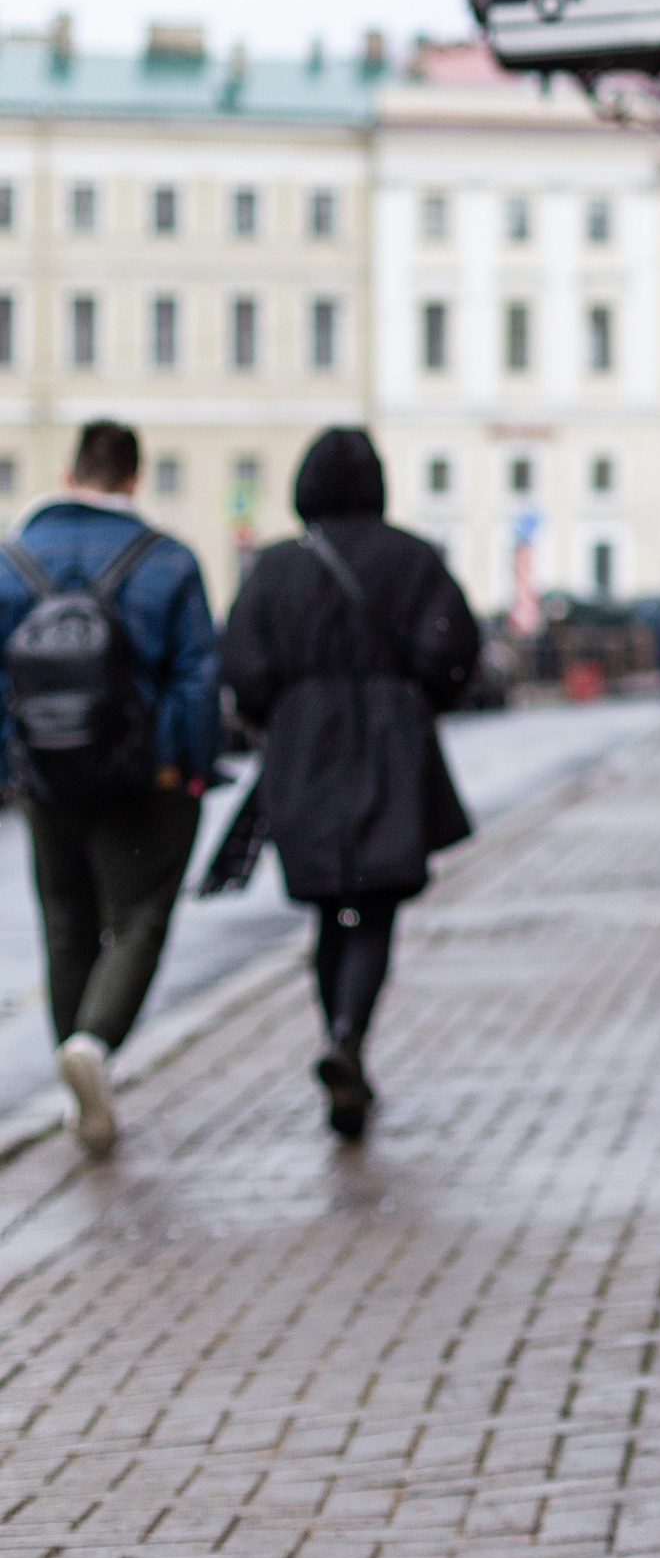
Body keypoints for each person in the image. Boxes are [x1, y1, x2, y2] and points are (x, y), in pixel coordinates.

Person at [219, 429, 478, 1143]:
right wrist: (413, 697)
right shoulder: (413, 558)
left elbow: (241, 664)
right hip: (390, 740)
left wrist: (285, 709)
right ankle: (349, 1036)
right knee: (377, 900)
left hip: (302, 745)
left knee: (329, 908)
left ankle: (339, 1034)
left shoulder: (275, 567)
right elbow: (454, 648)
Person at [0, 420, 221, 1157]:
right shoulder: (167, 561)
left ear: (69, 474)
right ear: (133, 478)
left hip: (47, 774)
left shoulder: (14, 559)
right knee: (138, 918)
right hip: (142, 776)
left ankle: (74, 1084)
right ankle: (93, 1047)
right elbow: (196, 676)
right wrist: (187, 766)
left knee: (65, 922)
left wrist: (14, 762)